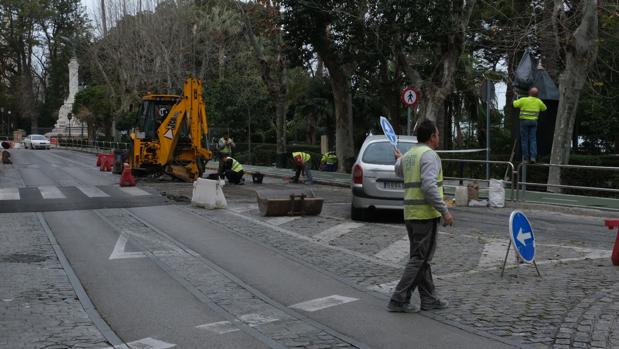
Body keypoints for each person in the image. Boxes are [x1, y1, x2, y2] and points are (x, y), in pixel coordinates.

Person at [387, 119, 454, 313]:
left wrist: (399, 158)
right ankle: (399, 299)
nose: (439, 137)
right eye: (438, 134)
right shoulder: (430, 156)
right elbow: (428, 186)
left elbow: (399, 170)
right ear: (432, 136)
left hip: (410, 214)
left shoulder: (410, 155)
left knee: (420, 258)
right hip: (425, 215)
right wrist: (445, 211)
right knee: (420, 259)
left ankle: (429, 298)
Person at [513, 87, 547, 163]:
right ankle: (533, 157)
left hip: (524, 122)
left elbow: (514, 104)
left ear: (529, 93)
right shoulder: (538, 101)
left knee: (524, 140)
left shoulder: (524, 100)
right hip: (534, 122)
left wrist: (515, 97)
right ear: (537, 95)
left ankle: (525, 158)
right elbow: (544, 108)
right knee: (533, 139)